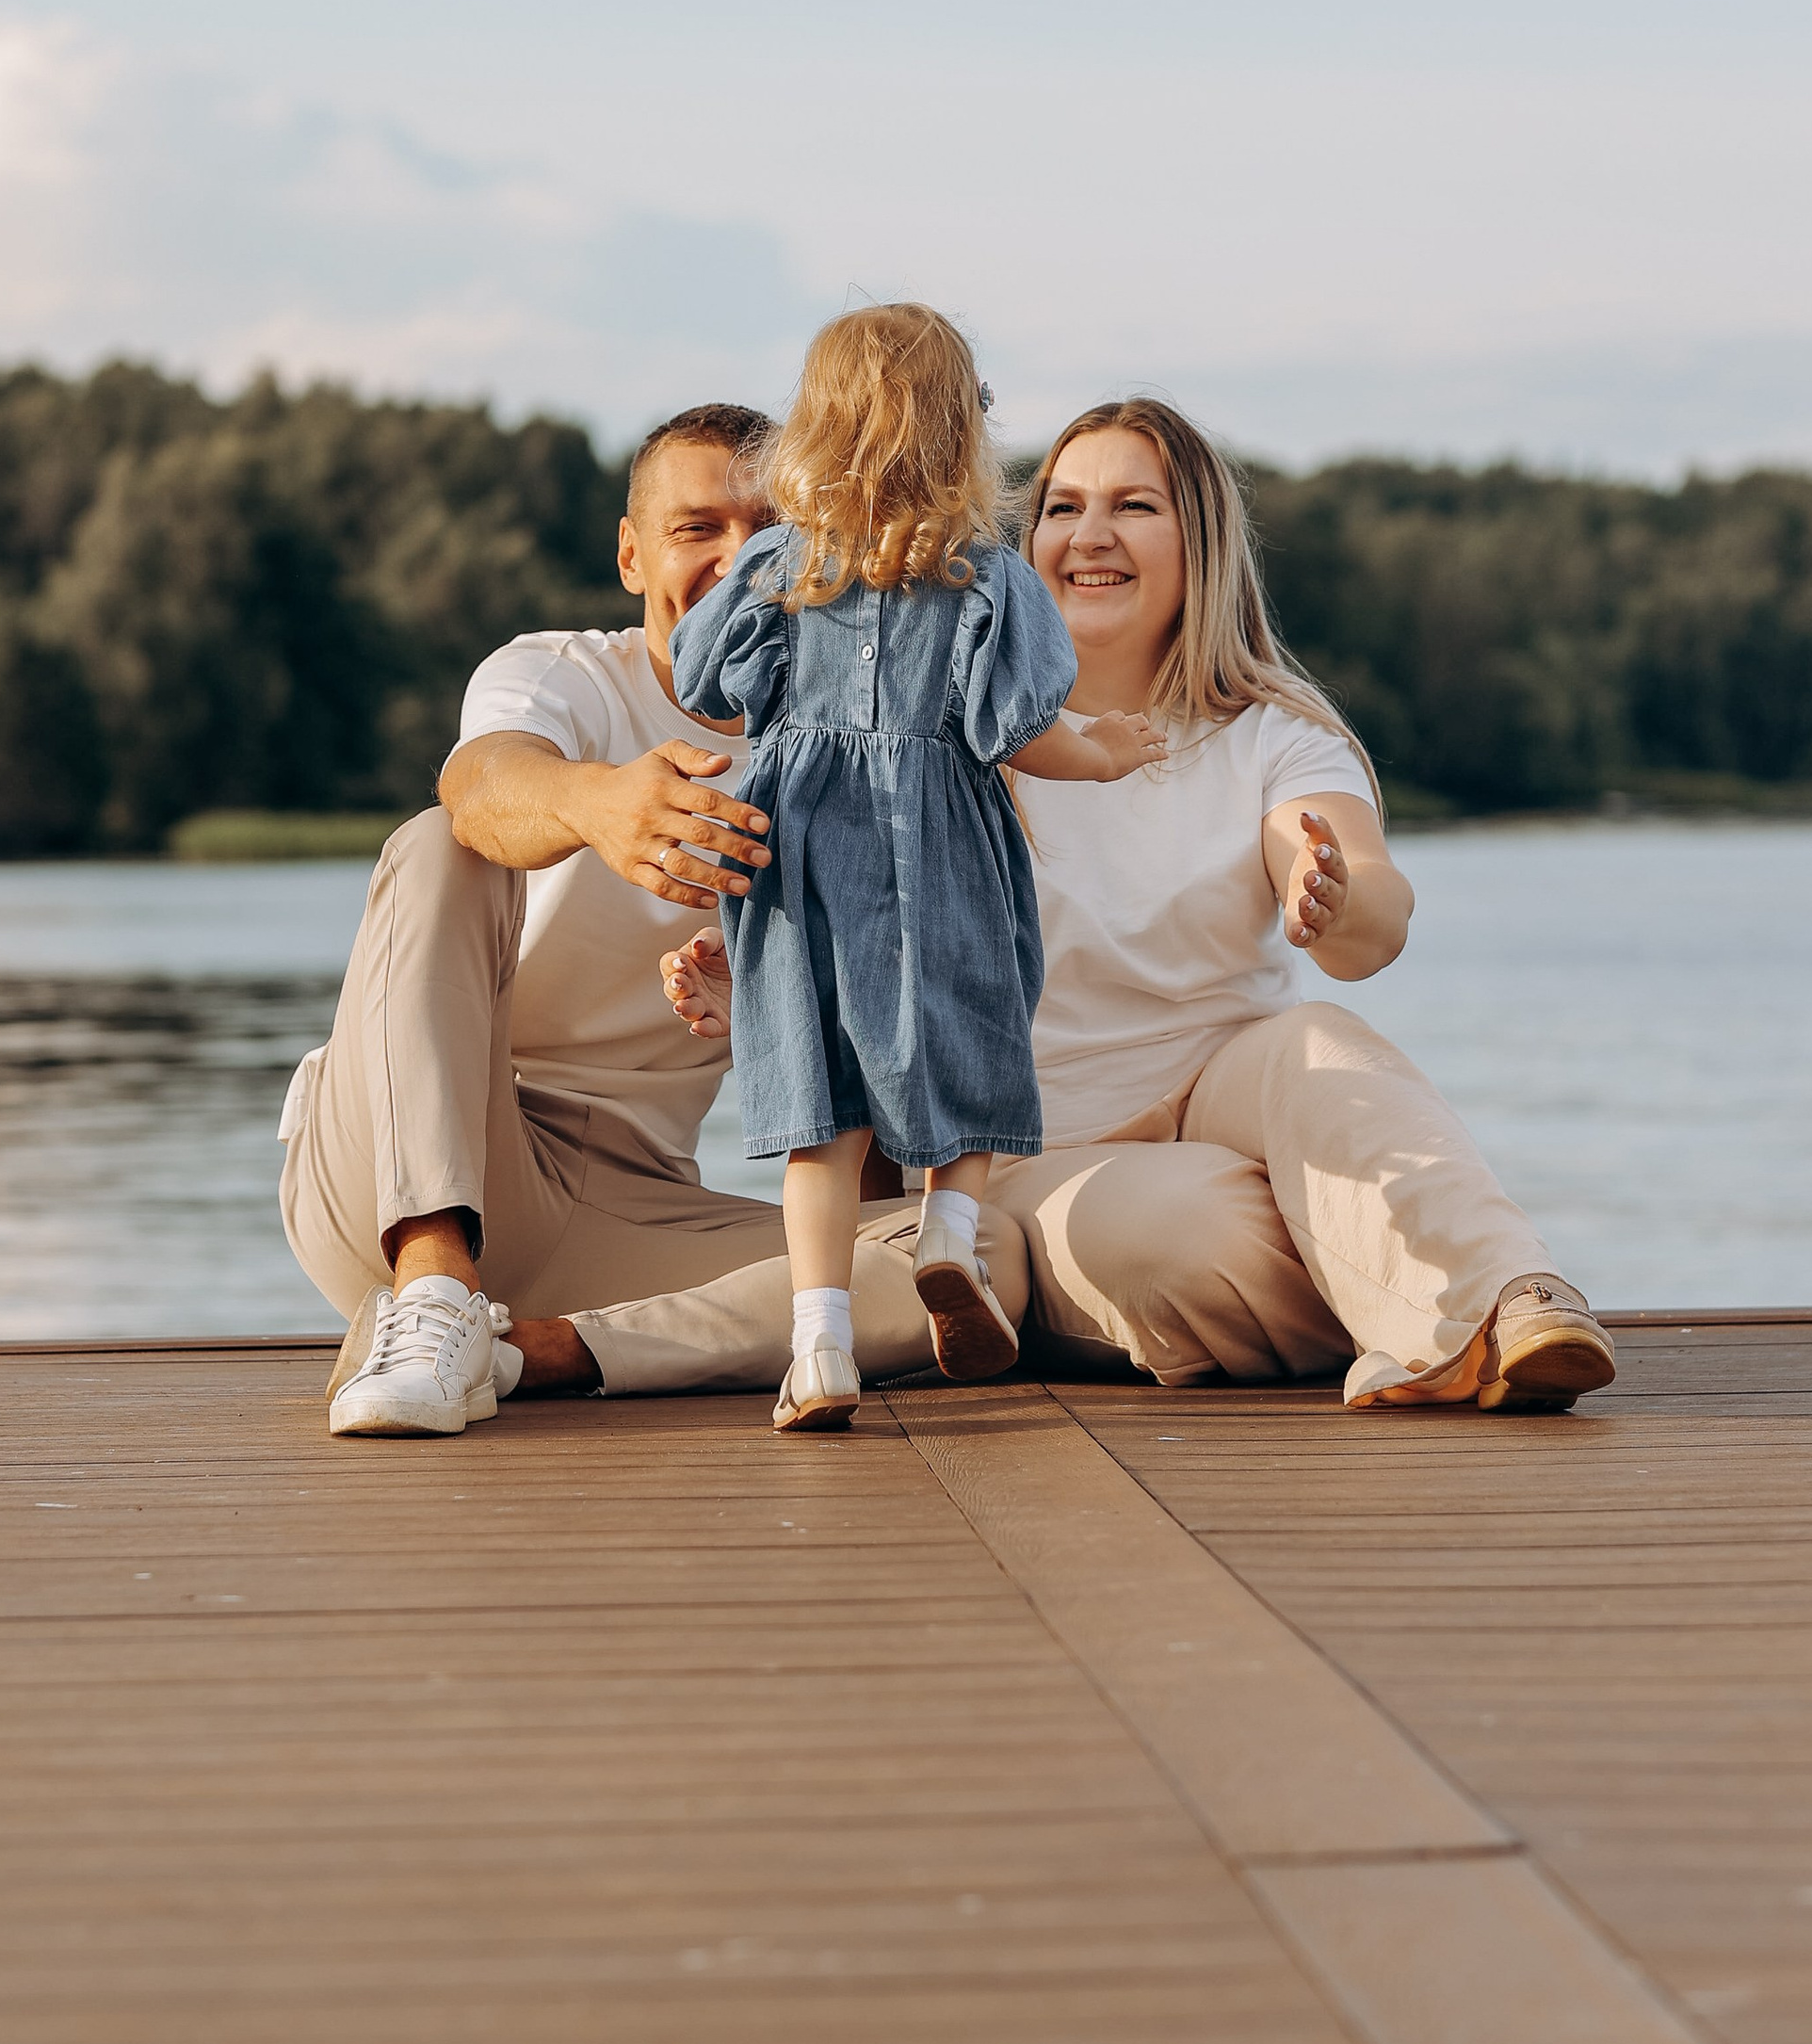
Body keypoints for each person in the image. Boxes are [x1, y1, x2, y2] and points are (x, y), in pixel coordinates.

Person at [653, 395, 1615, 1415]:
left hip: (1230, 1086)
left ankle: (1515, 1300)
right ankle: (1423, 1304)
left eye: (1134, 506)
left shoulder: (1271, 734)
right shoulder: (944, 741)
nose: (1091, 534)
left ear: (1198, 543)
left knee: (1321, 1044)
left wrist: (1328, 895)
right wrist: (749, 998)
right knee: (1187, 1237)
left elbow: (1366, 897)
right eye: (1063, 506)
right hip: (1031, 1146)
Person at [280, 400, 1035, 1437]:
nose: (740, 559)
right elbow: (483, 784)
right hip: (407, 1160)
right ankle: (430, 1294)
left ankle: (529, 1355)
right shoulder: (561, 677)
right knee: (437, 842)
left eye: (775, 529)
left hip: (628, 1202)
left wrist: (809, 1009)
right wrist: (597, 805)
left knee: (977, 1258)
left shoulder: (872, 749)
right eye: (698, 529)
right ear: (633, 556)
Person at [664, 306, 1157, 1434]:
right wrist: (1104, 751)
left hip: (800, 847)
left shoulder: (777, 567)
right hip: (943, 836)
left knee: (818, 1110)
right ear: (960, 434)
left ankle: (820, 1345)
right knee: (973, 1023)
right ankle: (948, 1237)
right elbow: (1012, 732)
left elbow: (703, 684)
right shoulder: (984, 578)